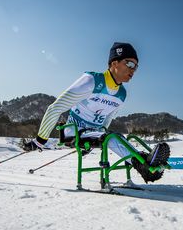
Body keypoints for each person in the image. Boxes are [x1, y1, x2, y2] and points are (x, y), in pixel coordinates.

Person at [24, 42, 170, 183]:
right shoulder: (92, 81)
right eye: (129, 64)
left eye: (136, 67)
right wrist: (40, 140)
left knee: (113, 137)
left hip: (95, 133)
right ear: (114, 63)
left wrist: (97, 137)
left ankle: (145, 162)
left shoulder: (121, 94)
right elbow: (55, 108)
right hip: (74, 131)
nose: (133, 70)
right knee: (113, 137)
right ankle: (143, 164)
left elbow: (107, 119)